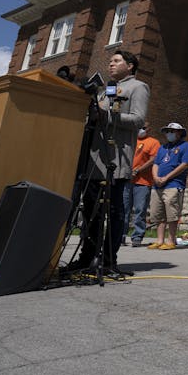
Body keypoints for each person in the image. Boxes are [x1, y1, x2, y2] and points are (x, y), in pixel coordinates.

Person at [70, 50, 149, 272]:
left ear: (130, 65)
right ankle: (87, 258)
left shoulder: (138, 87)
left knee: (114, 212)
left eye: (116, 61)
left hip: (116, 160)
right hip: (94, 162)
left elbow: (138, 119)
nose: (111, 64)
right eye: (110, 61)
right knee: (91, 212)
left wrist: (108, 116)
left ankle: (108, 260)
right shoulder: (104, 92)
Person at [148, 123, 188, 250]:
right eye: (168, 131)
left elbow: (185, 164)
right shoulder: (163, 148)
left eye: (172, 131)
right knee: (158, 212)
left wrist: (167, 177)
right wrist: (156, 177)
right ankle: (159, 239)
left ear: (179, 133)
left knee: (171, 212)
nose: (169, 133)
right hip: (158, 185)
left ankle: (171, 240)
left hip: (174, 184)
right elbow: (156, 164)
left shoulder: (185, 146)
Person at [123, 122, 160, 247]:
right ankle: (120, 235)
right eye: (139, 127)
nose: (141, 130)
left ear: (149, 129)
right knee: (123, 209)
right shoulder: (130, 139)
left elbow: (153, 159)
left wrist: (138, 170)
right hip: (126, 180)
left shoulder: (153, 142)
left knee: (140, 209)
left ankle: (137, 236)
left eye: (143, 128)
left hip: (143, 182)